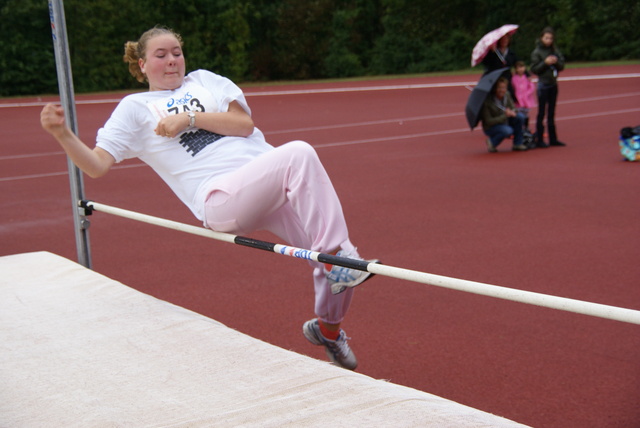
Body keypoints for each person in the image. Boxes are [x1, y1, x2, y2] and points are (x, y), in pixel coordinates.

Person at [40, 26, 376, 370]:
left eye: (176, 53)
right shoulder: (135, 108)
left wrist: (188, 119)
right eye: (160, 55)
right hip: (221, 198)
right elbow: (96, 165)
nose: (172, 61)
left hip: (267, 180)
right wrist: (62, 134)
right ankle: (338, 259)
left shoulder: (205, 81)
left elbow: (243, 124)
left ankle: (329, 330)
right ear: (142, 65)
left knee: (328, 254)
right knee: (302, 157)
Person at [530, 27, 566, 147]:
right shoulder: (537, 52)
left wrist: (556, 61)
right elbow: (534, 69)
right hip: (543, 84)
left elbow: (562, 65)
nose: (548, 40)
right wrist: (545, 63)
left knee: (551, 111)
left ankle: (553, 138)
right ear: (541, 38)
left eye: (550, 38)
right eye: (546, 38)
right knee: (541, 112)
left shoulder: (554, 50)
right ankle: (539, 138)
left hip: (553, 83)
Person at [480, 77, 527, 152]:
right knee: (508, 131)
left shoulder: (507, 95)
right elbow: (489, 121)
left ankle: (518, 143)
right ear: (495, 88)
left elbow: (514, 108)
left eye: (504, 88)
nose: (502, 90)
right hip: (491, 126)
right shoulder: (488, 101)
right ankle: (492, 142)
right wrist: (505, 115)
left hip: (505, 121)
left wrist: (512, 112)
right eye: (499, 88)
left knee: (520, 117)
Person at [482, 33, 518, 102]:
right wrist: (492, 52)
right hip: (495, 79)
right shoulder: (494, 52)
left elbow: (517, 64)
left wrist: (526, 75)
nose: (504, 41)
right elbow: (486, 63)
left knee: (510, 98)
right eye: (502, 39)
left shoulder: (511, 53)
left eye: (506, 39)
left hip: (507, 79)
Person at [511, 60, 536, 138]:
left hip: (526, 99)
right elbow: (514, 87)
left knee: (526, 114)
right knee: (519, 114)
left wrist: (527, 93)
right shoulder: (514, 78)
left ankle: (526, 127)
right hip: (518, 99)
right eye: (518, 68)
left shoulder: (526, 78)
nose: (521, 69)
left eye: (522, 67)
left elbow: (531, 86)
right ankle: (519, 128)